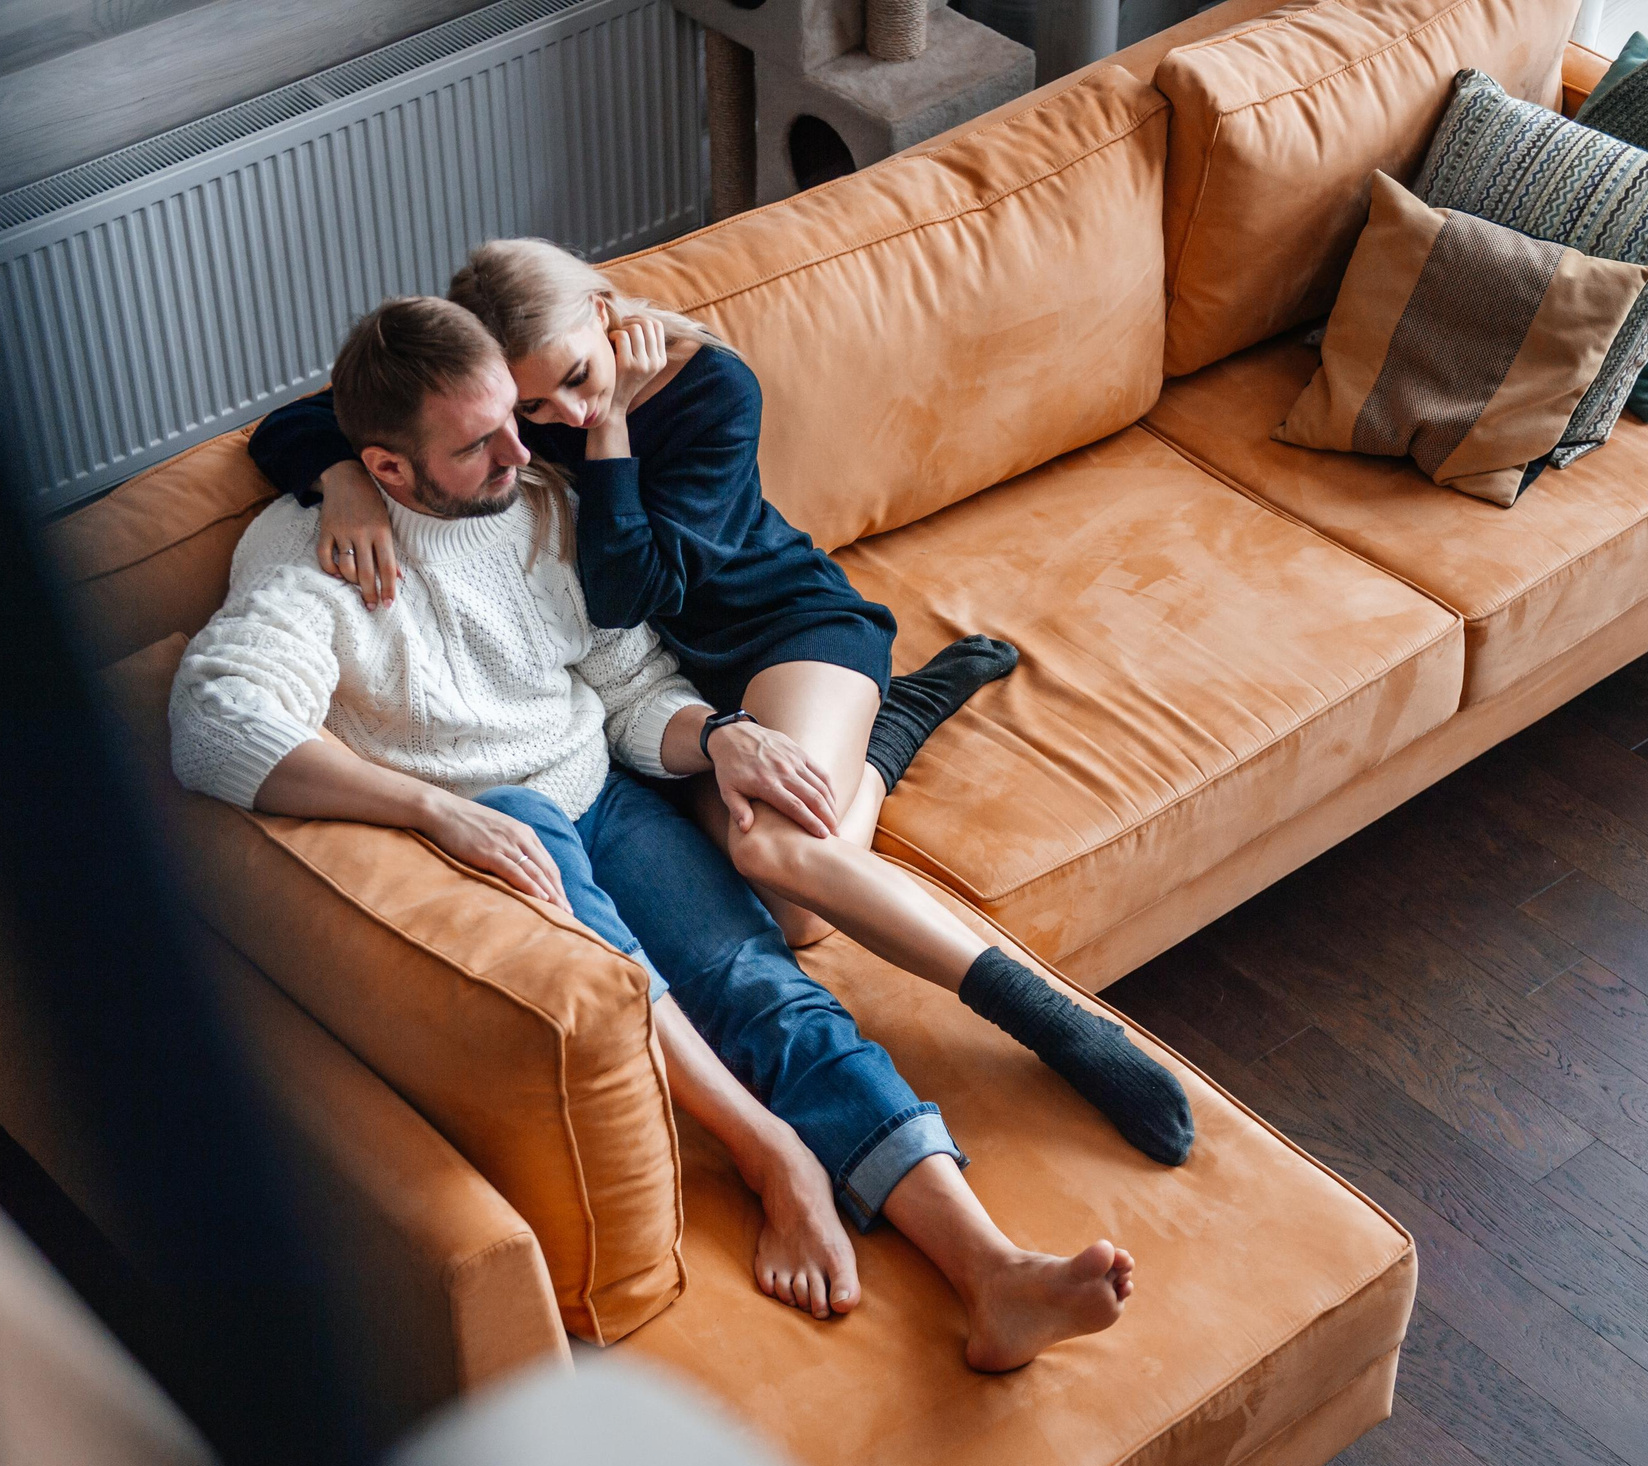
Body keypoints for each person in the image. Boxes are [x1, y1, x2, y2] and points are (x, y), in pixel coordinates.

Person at [173, 296, 1135, 1370]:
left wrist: (719, 738)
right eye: (479, 443)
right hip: (497, 817)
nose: (521, 452)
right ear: (386, 468)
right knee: (613, 942)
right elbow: (215, 722)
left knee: (767, 987)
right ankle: (775, 1158)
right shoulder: (312, 552)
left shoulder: (538, 500)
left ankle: (993, 1268)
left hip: (604, 787)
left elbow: (625, 679)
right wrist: (433, 807)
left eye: (514, 421)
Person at [250, 239, 1195, 1169]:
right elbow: (291, 426)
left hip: (779, 633)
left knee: (771, 849)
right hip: (666, 689)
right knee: (798, 919)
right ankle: (882, 747)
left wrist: (611, 429)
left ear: (605, 317)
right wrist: (341, 478)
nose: (557, 418)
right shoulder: (502, 410)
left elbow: (629, 591)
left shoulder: (713, 389)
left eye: (577, 379)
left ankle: (1055, 1022)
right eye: (532, 406)